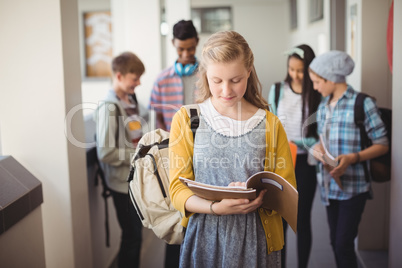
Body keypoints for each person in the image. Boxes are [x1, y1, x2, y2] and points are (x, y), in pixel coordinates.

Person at [169, 30, 297, 268]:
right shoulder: (187, 119)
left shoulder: (270, 123)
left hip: (257, 237)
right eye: (217, 81)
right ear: (206, 75)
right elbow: (177, 189)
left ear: (249, 71)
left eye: (236, 80)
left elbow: (286, 191)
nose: (226, 91)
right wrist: (217, 208)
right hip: (204, 235)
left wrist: (255, 195)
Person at [308, 51, 389, 268]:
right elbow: (321, 142)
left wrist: (353, 158)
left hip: (353, 189)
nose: (315, 87)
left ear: (331, 78)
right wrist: (318, 152)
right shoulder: (324, 107)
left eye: (317, 82)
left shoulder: (363, 104)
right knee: (335, 242)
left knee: (343, 244)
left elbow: (383, 144)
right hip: (328, 186)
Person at [268, 44, 321, 268]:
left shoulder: (316, 94)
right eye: (291, 69)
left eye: (300, 70)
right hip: (281, 161)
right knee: (279, 219)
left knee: (302, 219)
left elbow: (317, 136)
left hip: (305, 164)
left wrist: (299, 142)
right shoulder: (278, 89)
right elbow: (270, 125)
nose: (295, 75)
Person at [94, 52, 145, 268]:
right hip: (121, 186)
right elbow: (106, 153)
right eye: (135, 78)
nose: (139, 82)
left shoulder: (130, 100)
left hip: (133, 182)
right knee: (132, 237)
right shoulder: (108, 107)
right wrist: (138, 155)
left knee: (135, 236)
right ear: (119, 76)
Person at [149, 19, 199, 131]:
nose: (186, 54)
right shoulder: (161, 79)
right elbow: (157, 116)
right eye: (181, 49)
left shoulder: (209, 76)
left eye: (191, 49)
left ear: (197, 41)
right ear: (173, 43)